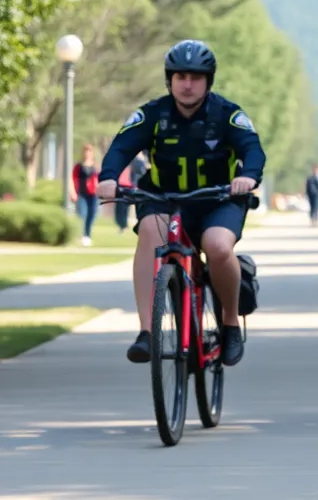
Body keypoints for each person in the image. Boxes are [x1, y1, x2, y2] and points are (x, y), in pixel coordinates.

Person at [97, 39, 265, 367]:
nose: (187, 84)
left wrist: (249, 176)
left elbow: (252, 149)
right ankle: (147, 332)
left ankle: (230, 324)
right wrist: (108, 176)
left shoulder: (227, 114)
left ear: (208, 80)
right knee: (149, 231)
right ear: (169, 79)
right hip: (163, 199)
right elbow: (121, 146)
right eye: (180, 77)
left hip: (218, 200)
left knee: (217, 246)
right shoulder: (153, 114)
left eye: (196, 77)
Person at [69, 144, 100, 246]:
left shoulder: (95, 166)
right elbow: (72, 179)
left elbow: (98, 179)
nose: (87, 153)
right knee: (83, 214)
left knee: (91, 215)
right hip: (82, 193)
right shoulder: (79, 166)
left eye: (89, 151)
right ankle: (82, 235)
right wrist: (72, 192)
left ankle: (87, 235)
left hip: (93, 194)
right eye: (86, 151)